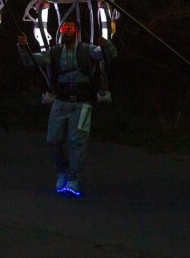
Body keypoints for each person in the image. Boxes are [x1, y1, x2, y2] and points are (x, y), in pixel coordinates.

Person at [17, 19, 116, 196]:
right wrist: (23, 47)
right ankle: (62, 170)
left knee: (77, 141)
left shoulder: (87, 49)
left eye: (69, 29)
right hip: (61, 100)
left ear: (76, 31)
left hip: (82, 101)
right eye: (63, 29)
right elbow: (31, 61)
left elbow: (109, 55)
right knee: (53, 139)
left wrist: (106, 44)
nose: (66, 32)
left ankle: (74, 178)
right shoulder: (54, 52)